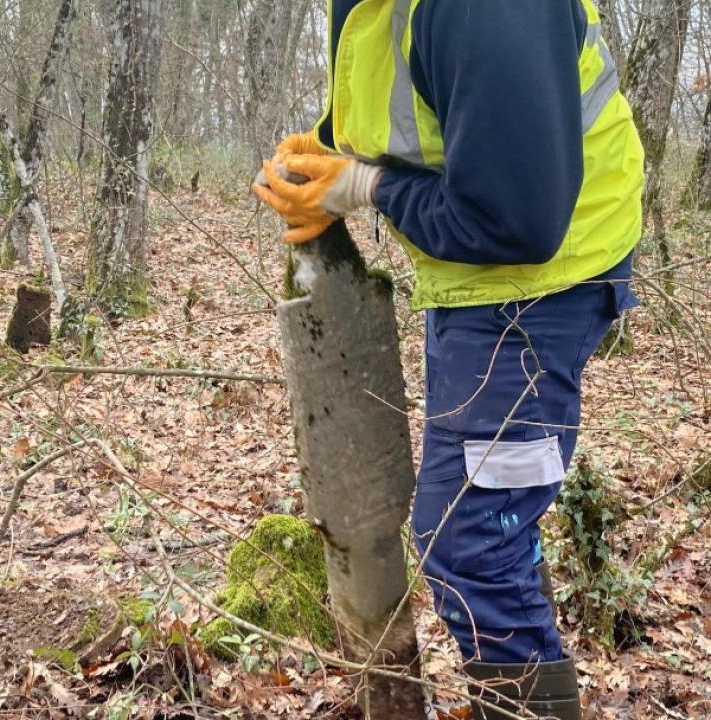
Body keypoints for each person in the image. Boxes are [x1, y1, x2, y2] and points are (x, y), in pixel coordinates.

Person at [252, 0, 643, 717]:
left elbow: (516, 220)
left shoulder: (485, 10)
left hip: (541, 283)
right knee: (486, 525)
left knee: (470, 543)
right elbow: (399, 105)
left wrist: (363, 187)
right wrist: (321, 153)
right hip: (472, 274)